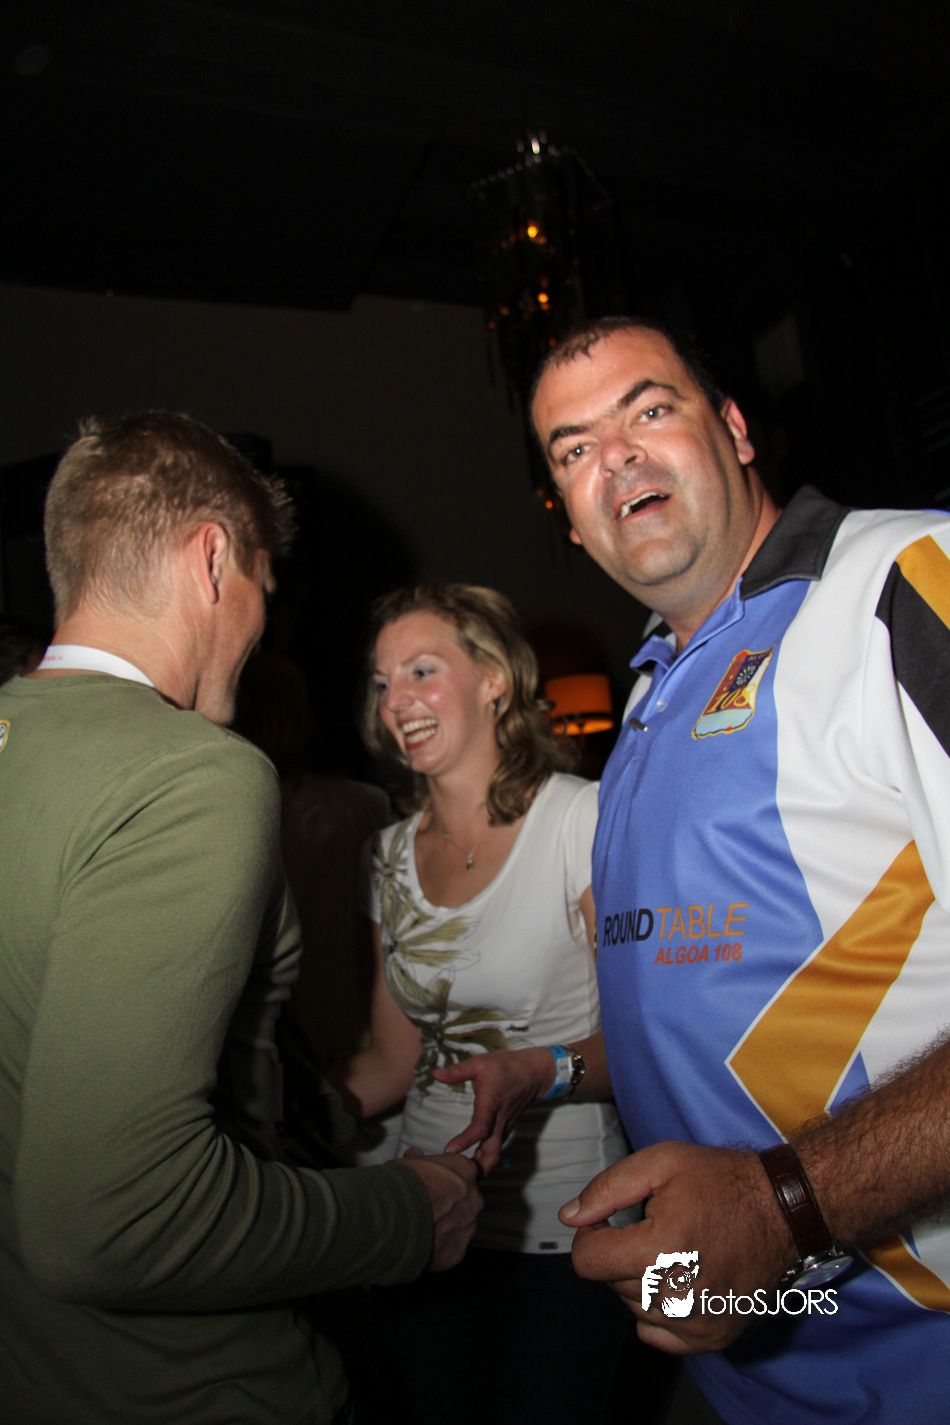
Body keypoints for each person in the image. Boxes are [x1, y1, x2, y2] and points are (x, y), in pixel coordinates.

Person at [0, 412, 481, 1425]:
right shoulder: (189, 775)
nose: (267, 619)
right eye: (266, 578)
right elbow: (111, 1219)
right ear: (213, 558)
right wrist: (404, 1213)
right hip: (196, 1389)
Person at [528, 316, 950, 1424]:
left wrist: (786, 1207)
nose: (614, 457)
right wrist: (546, 1072)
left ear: (734, 428)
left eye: (647, 409)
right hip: (734, 1362)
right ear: (568, 515)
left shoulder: (900, 579)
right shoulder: (643, 699)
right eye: (572, 450)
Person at [332, 582, 631, 1425]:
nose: (396, 700)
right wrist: (283, 1109)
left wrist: (538, 1069)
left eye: (422, 670)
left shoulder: (580, 820)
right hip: (424, 1219)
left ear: (495, 678)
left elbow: (644, 1043)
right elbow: (394, 1061)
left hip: (566, 1229)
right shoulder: (385, 856)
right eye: (382, 681)